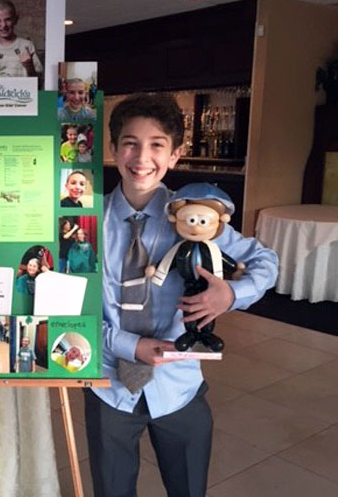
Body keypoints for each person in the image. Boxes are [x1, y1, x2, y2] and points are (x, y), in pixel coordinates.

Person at [85, 93, 278, 497]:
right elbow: (71, 310)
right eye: (130, 143)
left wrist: (232, 295)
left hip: (179, 387)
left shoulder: (195, 215)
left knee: (188, 488)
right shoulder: (85, 223)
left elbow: (265, 260)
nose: (142, 157)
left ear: (175, 154)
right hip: (109, 386)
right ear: (113, 149)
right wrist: (130, 345)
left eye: (157, 145)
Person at [0, 0, 43, 81]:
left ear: (15, 19)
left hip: (22, 93)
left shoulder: (27, 46)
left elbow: (38, 82)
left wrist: (29, 66)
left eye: (7, 19)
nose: (3, 25)